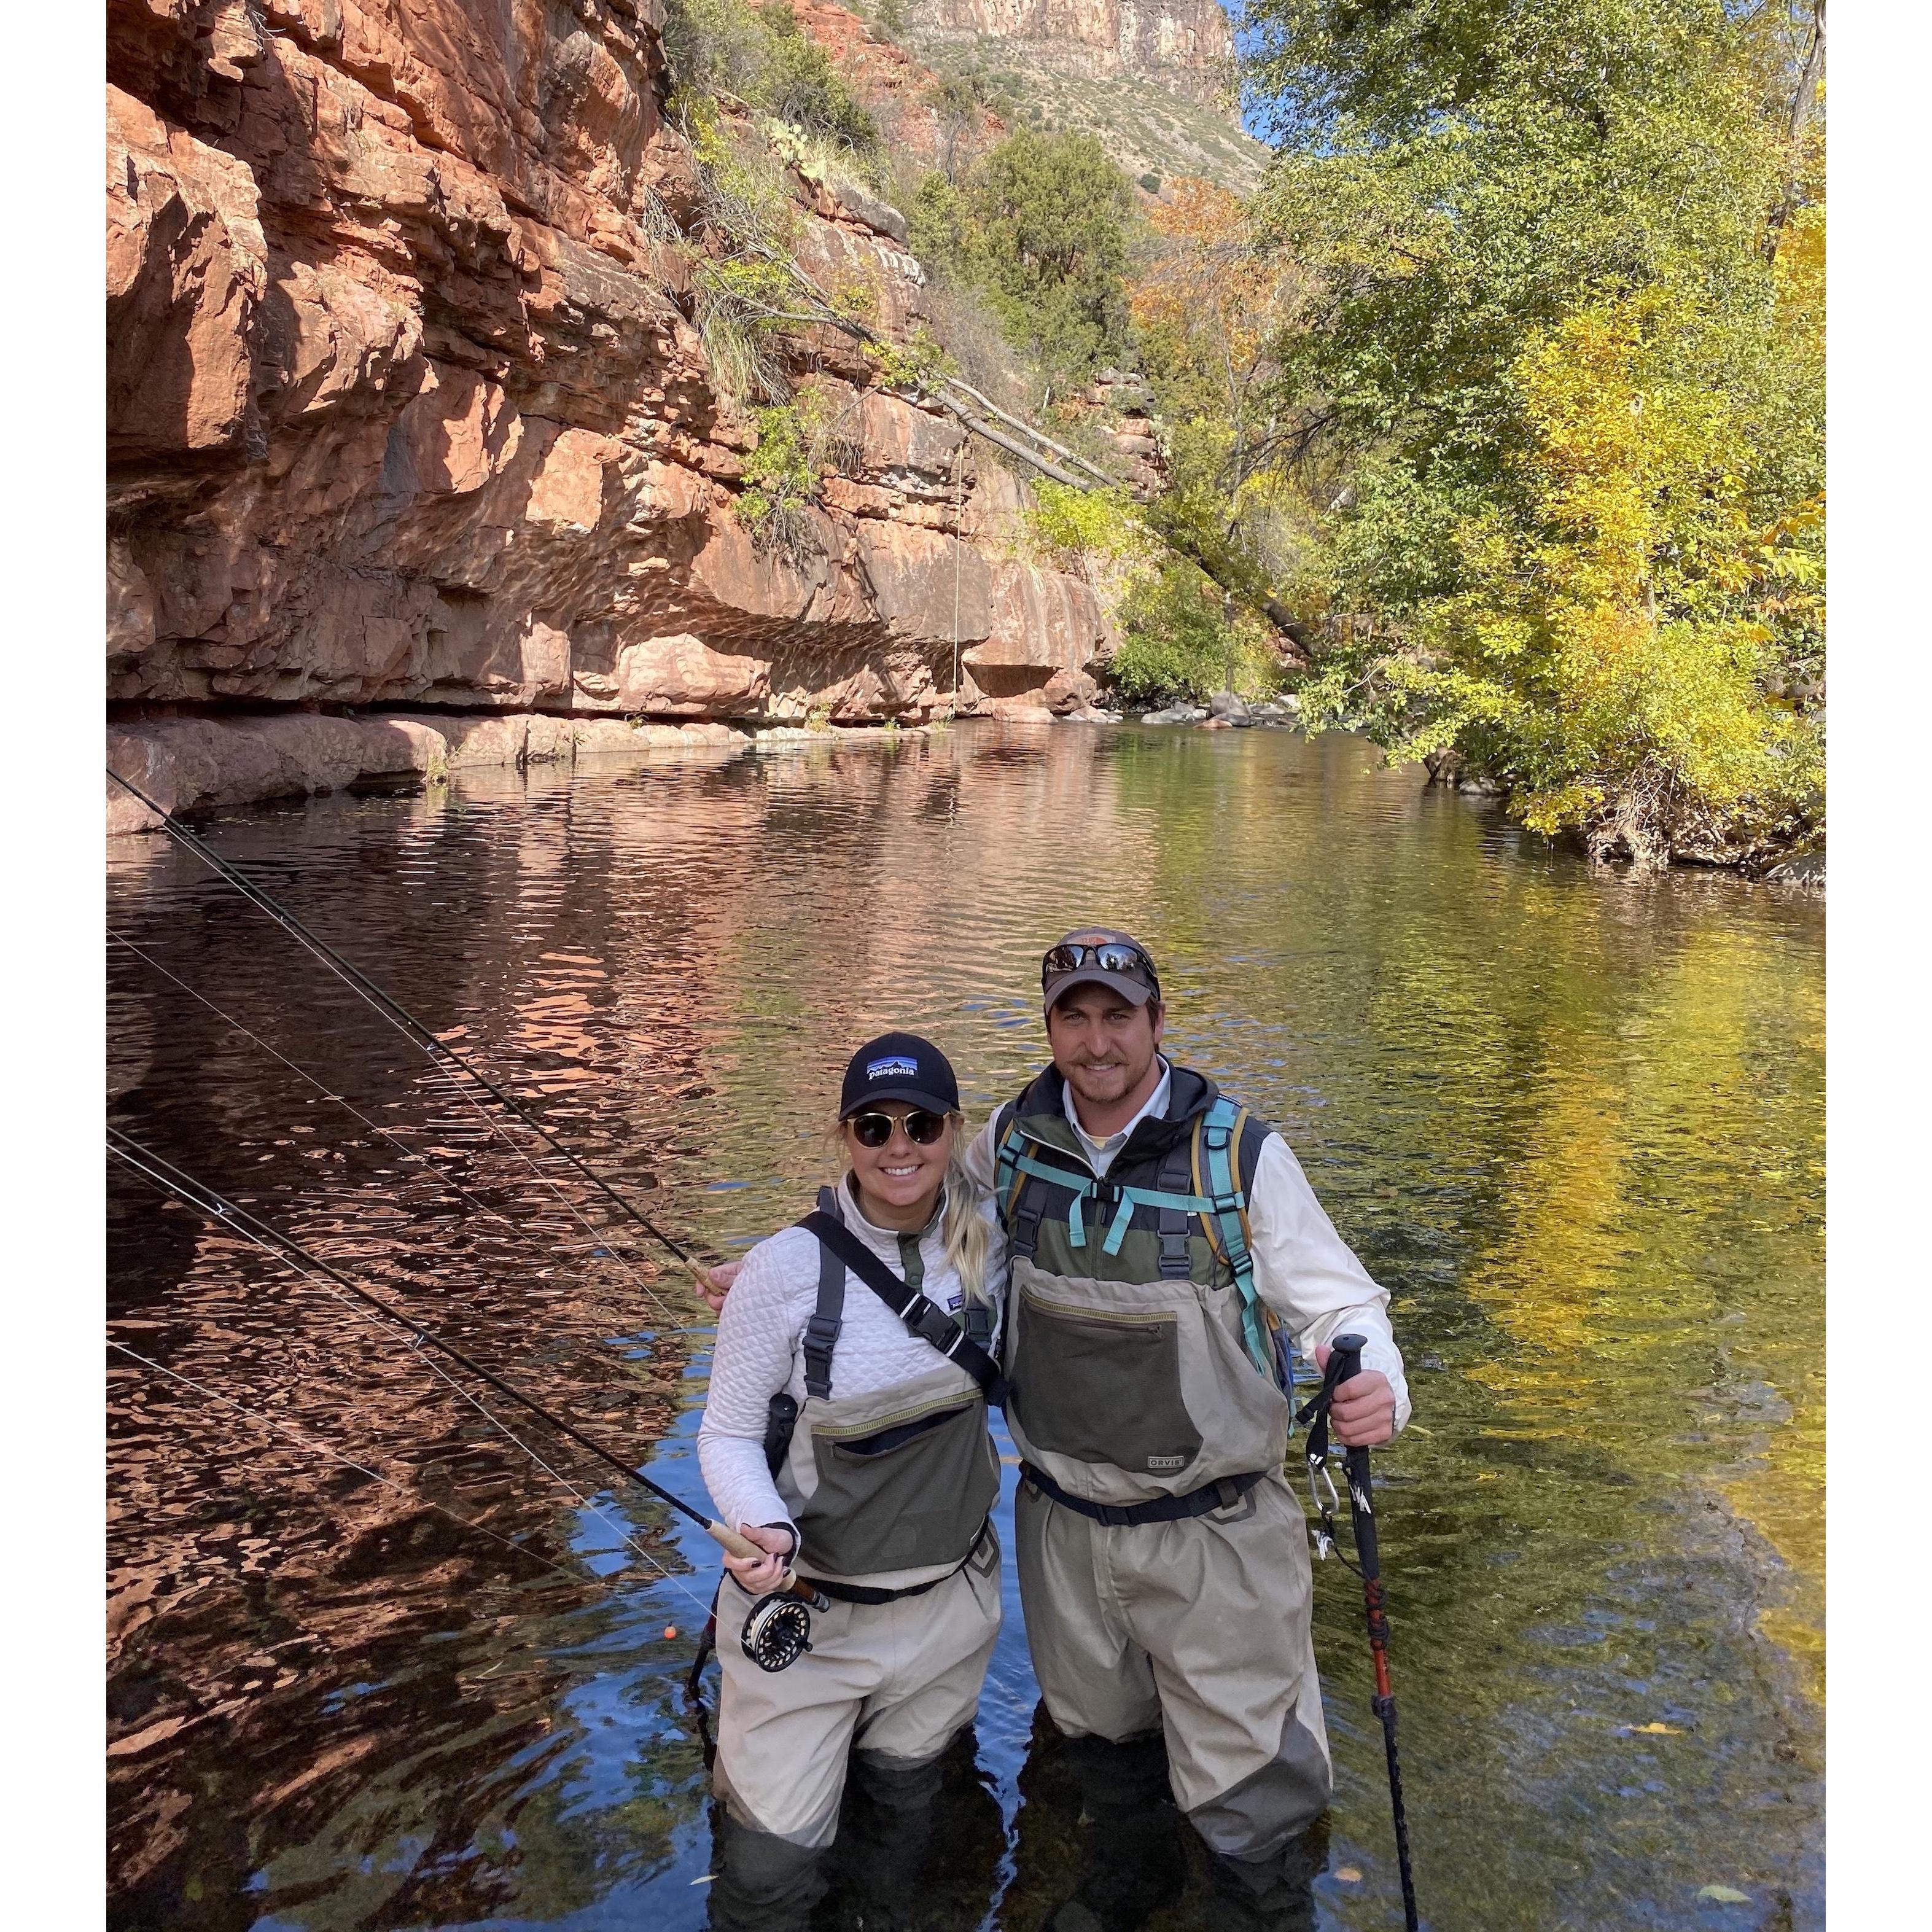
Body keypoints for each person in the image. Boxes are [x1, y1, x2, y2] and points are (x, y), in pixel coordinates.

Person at [961, 928, 1409, 1932]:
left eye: (1117, 1016)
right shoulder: (1010, 1139)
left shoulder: (1239, 1154)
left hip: (1216, 1533)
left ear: (1157, 1021)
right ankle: (1130, 1881)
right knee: (1100, 1746)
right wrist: (790, 1269)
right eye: (1074, 1017)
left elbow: (1343, 1307)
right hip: (1062, 1524)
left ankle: (1256, 1908)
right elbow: (912, 1227)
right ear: (1049, 1027)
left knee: (1252, 1799)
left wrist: (1375, 1382)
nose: (1096, 1042)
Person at [696, 1032, 1007, 1931]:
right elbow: (725, 1435)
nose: (898, 1147)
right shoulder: (783, 1272)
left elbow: (1078, 1107)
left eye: (921, 1125)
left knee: (909, 1830)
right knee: (768, 1877)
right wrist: (762, 1525)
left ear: (953, 1132)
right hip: (811, 1620)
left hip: (950, 1613)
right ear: (846, 1136)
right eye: (874, 1126)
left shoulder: (997, 1238)